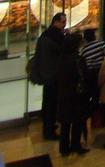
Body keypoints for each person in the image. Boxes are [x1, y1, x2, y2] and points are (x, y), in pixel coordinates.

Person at [35, 11, 67, 140]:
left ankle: (48, 126)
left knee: (48, 102)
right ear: (56, 22)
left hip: (46, 75)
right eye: (63, 22)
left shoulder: (46, 35)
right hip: (53, 76)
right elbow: (62, 50)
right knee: (52, 104)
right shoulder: (56, 37)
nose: (64, 25)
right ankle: (49, 130)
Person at [57, 33, 89, 155]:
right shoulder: (79, 60)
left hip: (64, 95)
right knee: (77, 122)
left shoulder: (61, 59)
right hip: (77, 95)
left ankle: (64, 148)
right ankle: (76, 145)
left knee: (65, 124)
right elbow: (85, 76)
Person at [80, 26, 105, 105]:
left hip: (90, 74)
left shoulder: (84, 50)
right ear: (94, 35)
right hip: (101, 71)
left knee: (93, 93)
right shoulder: (101, 43)